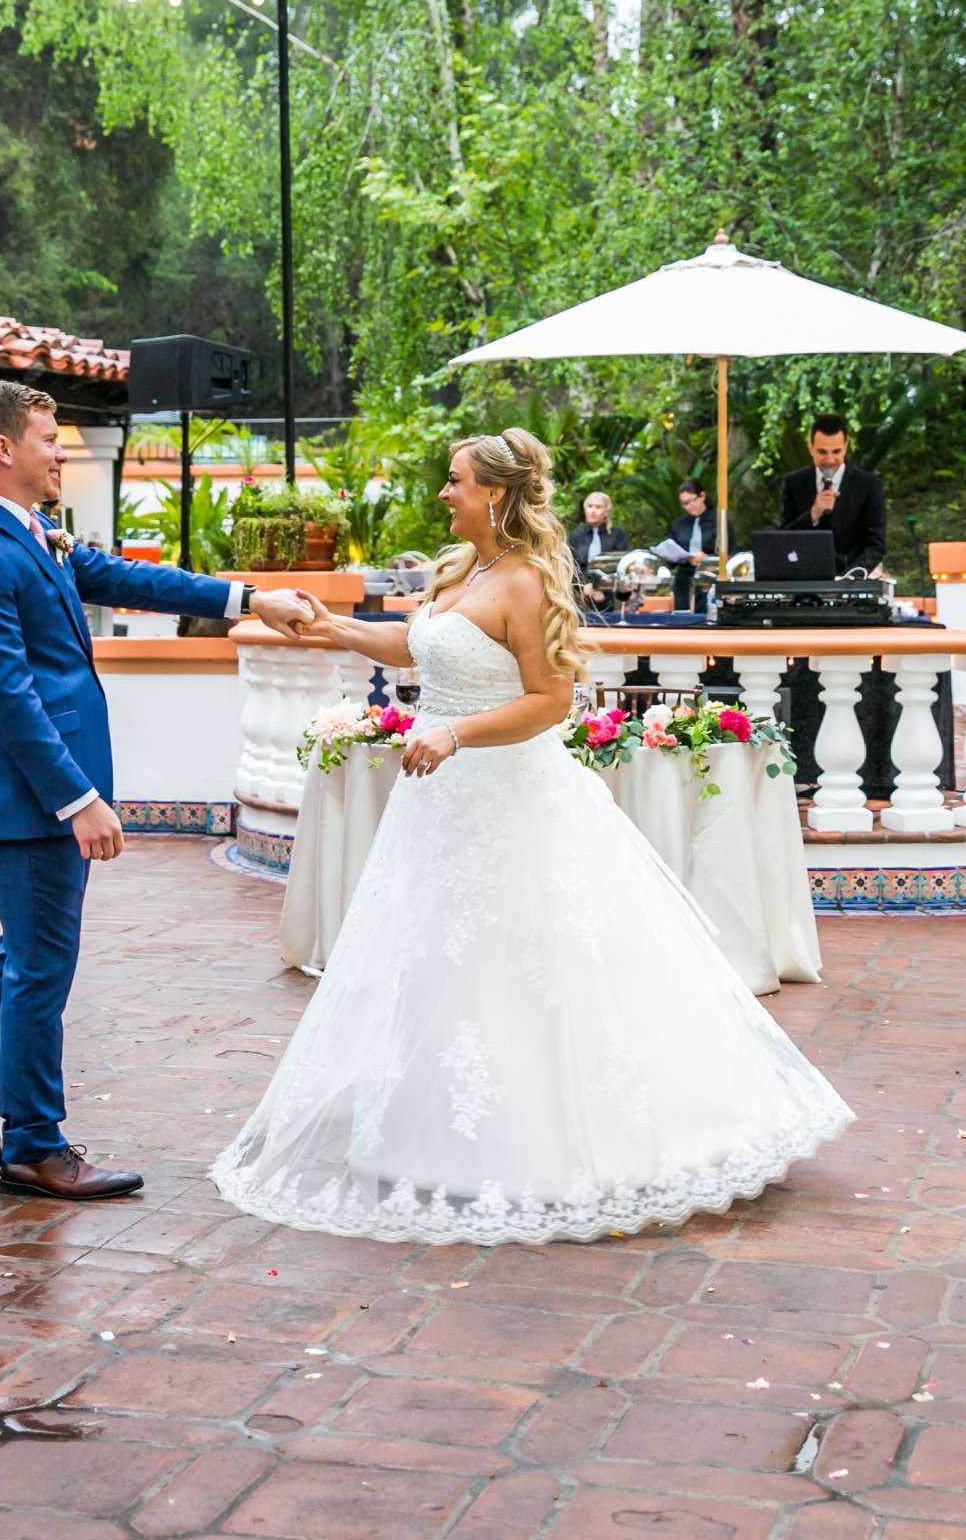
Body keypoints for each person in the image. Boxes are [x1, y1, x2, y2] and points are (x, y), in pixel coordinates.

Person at [211, 427, 853, 1246]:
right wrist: (330, 626)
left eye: (455, 481)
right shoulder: (460, 572)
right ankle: (433, 1127)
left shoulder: (525, 582)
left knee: (531, 959)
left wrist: (455, 734)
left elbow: (550, 702)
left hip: (507, 792)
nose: (443, 493)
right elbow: (412, 648)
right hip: (440, 807)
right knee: (445, 958)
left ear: (497, 495)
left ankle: (551, 1140)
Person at [0, 379, 312, 1201]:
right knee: (39, 964)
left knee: (24, 950)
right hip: (29, 793)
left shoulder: (35, 533)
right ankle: (34, 1146)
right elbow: (5, 695)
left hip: (41, 791)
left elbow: (132, 579)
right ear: (3, 449)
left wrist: (250, 598)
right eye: (48, 438)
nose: (59, 451)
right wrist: (77, 798)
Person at [777, 416, 886, 575]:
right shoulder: (793, 483)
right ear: (810, 448)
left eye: (836, 451)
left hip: (850, 584)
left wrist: (849, 579)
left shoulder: (869, 485)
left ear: (846, 447)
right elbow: (782, 539)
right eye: (822, 452)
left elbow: (875, 545)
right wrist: (813, 514)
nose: (829, 460)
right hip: (804, 579)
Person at [660, 479, 729, 612]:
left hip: (710, 578)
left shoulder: (719, 522)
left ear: (702, 496)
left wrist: (708, 559)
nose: (689, 506)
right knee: (681, 617)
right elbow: (670, 553)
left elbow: (731, 552)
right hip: (684, 578)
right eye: (684, 503)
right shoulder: (678, 524)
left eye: (691, 501)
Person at [567, 490, 629, 612]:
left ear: (606, 511)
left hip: (611, 594)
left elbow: (618, 565)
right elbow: (570, 566)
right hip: (580, 595)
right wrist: (585, 586)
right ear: (585, 509)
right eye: (590, 506)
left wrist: (599, 587)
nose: (593, 510)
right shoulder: (575, 535)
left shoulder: (617, 535)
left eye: (598, 507)